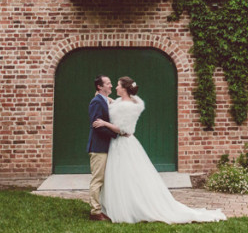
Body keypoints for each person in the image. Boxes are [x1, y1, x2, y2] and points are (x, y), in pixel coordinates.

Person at [92, 76, 227, 224]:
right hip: (119, 144)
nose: (115, 87)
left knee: (127, 176)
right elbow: (114, 103)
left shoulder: (127, 107)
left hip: (123, 143)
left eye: (117, 85)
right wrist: (105, 99)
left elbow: (123, 129)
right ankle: (118, 205)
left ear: (124, 89)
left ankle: (130, 207)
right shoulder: (127, 102)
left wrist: (105, 123)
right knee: (121, 176)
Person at [87, 74, 118, 221]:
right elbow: (96, 125)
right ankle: (95, 211)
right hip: (98, 147)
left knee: (105, 179)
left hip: (106, 147)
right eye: (108, 83)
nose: (111, 85)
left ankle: (103, 207)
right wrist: (115, 134)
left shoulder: (105, 100)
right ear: (100, 86)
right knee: (97, 180)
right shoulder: (96, 102)